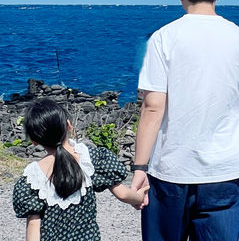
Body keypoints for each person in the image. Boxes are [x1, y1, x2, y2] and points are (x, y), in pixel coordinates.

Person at [131, 0, 239, 241]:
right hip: (226, 169)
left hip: (171, 170)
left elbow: (153, 107)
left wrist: (140, 167)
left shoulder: (164, 38)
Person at [12, 98, 148, 241]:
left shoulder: (33, 177)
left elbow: (33, 225)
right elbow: (123, 194)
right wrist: (139, 196)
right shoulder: (90, 159)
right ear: (68, 125)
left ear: (34, 141)